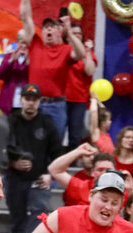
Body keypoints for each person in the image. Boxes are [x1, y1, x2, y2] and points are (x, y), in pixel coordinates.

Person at [19, 0, 84, 142]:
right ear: (41, 32)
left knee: (54, 146)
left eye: (52, 27)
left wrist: (70, 34)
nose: (48, 29)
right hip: (34, 104)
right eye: (46, 27)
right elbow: (25, 17)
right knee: (31, 143)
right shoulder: (35, 44)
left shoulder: (65, 50)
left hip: (56, 106)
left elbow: (80, 54)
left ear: (59, 32)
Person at [5, 83, 62, 233]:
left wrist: (50, 175)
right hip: (15, 178)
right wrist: (13, 163)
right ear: (21, 100)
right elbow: (1, 148)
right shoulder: (11, 120)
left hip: (39, 178)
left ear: (39, 101)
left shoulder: (46, 122)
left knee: (38, 216)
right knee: (17, 218)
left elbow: (57, 152)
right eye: (27, 99)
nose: (31, 102)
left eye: (34, 99)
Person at [49, 144, 115, 206]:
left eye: (108, 170)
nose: (104, 174)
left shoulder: (123, 190)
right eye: (100, 170)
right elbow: (54, 169)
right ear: (93, 172)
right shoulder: (81, 187)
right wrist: (78, 151)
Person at [65, 25, 96, 149]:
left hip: (79, 99)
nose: (77, 36)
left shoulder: (87, 52)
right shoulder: (63, 49)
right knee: (57, 132)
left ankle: (72, 163)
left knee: (75, 134)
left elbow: (89, 71)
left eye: (79, 34)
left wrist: (87, 53)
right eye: (74, 33)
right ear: (67, 36)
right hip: (60, 99)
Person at [0, 32, 29, 115]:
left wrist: (28, 62)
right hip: (8, 102)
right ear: (17, 43)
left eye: (26, 43)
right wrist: (10, 61)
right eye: (21, 42)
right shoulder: (9, 56)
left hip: (27, 103)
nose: (23, 46)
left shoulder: (34, 58)